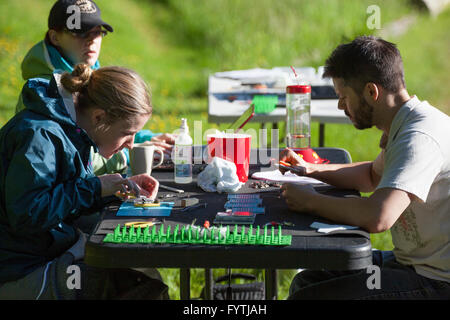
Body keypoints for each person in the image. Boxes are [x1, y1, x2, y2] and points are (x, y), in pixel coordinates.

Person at [280, 36, 450, 299]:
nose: (340, 106)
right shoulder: (405, 123)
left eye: (343, 96)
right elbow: (371, 175)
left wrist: (310, 202)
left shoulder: (419, 138)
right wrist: (311, 169)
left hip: (436, 281)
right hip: (412, 264)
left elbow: (378, 216)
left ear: (372, 92)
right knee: (308, 281)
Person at [0, 63, 169, 299]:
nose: (132, 143)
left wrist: (115, 189)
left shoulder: (72, 130)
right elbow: (29, 214)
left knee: (143, 274)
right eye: (127, 133)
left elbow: (64, 195)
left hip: (42, 252)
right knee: (142, 289)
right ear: (99, 116)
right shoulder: (39, 135)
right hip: (20, 270)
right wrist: (95, 187)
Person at [16, 0, 175, 176]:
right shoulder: (43, 94)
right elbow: (70, 157)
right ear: (55, 37)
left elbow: (105, 128)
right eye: (81, 33)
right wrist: (127, 155)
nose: (92, 40)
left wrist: (144, 139)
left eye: (98, 32)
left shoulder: (90, 74)